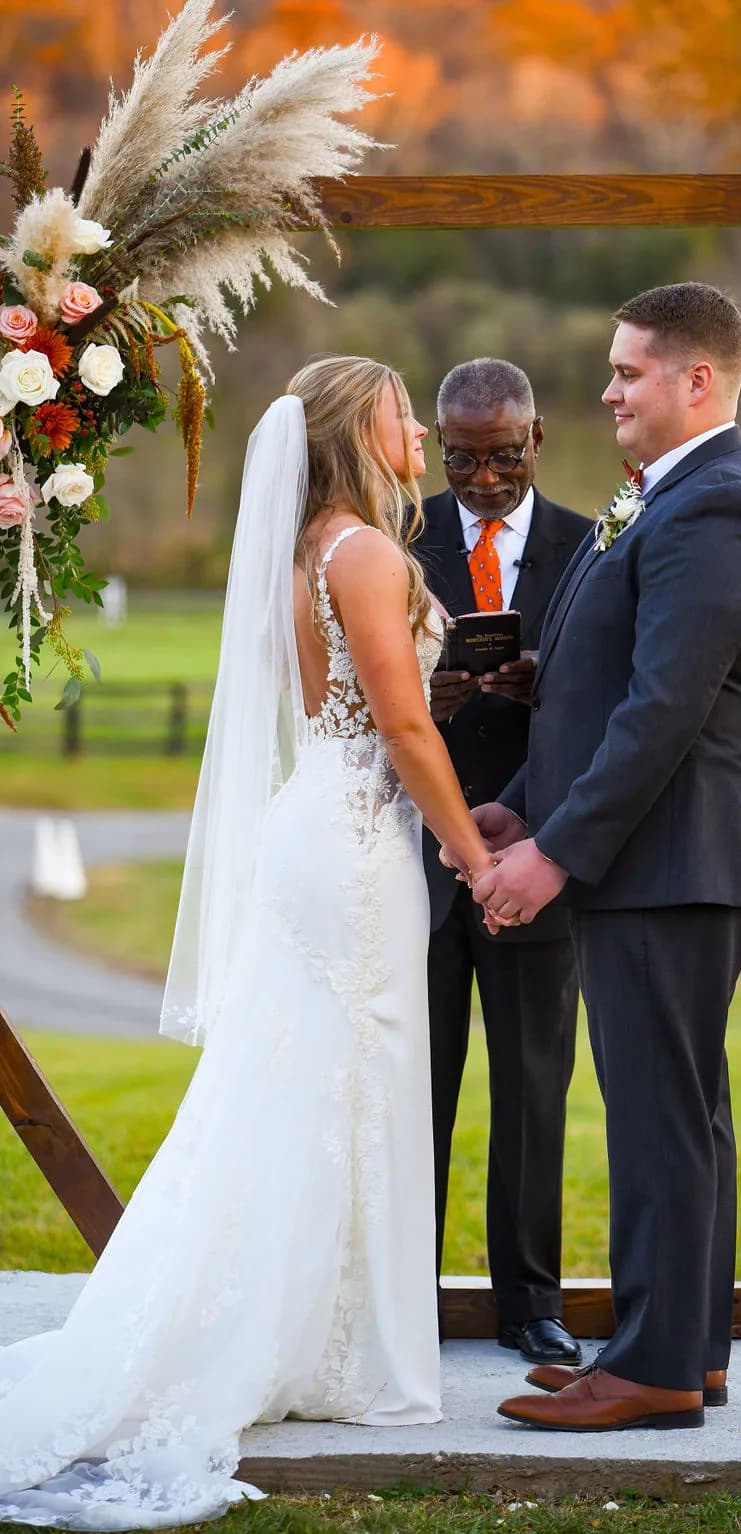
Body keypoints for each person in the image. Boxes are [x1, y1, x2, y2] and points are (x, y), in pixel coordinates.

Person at [0, 356, 499, 1527]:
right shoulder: (366, 553)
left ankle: (315, 1340)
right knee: (342, 1085)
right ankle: (331, 1352)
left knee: (305, 1087)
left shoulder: (309, 550)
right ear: (354, 432)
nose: (418, 426)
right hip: (355, 843)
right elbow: (402, 721)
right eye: (399, 412)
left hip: (323, 821)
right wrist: (474, 860)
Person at [463, 284, 741, 1431]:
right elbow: (595, 684)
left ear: (696, 381)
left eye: (626, 372)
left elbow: (662, 713)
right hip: (659, 851)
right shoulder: (664, 496)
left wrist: (553, 853)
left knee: (660, 1109)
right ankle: (685, 1347)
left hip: (677, 852)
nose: (604, 392)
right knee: (680, 1106)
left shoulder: (715, 509)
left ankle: (649, 1368)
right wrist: (518, 806)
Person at [415, 359, 591, 1365]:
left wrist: (541, 696)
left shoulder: (588, 546)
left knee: (532, 1089)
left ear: (537, 441)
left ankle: (529, 1302)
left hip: (535, 855)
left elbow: (613, 692)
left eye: (502, 455)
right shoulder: (399, 539)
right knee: (417, 1091)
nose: (482, 477)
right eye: (462, 456)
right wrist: (425, 708)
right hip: (421, 863)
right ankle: (410, 1298)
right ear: (440, 445)